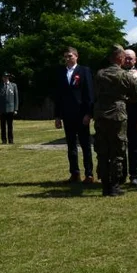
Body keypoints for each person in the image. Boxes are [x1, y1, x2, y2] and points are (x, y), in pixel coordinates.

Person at [94, 46, 137, 197]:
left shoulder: (100, 74)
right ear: (120, 58)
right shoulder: (125, 75)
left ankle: (105, 185)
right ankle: (115, 186)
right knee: (117, 150)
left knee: (103, 150)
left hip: (101, 114)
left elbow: (96, 93)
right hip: (118, 115)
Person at [52, 46, 95, 183]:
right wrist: (57, 116)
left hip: (81, 114)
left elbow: (89, 93)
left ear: (76, 56)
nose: (67, 59)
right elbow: (58, 96)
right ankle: (74, 173)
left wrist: (89, 113)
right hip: (67, 114)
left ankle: (89, 174)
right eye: (65, 56)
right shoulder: (60, 73)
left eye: (70, 56)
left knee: (85, 145)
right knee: (71, 145)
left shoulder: (84, 71)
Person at [122, 49, 137, 187]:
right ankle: (120, 174)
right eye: (126, 58)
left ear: (135, 60)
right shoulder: (117, 73)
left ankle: (134, 176)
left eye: (131, 58)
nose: (128, 60)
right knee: (120, 147)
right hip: (120, 116)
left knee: (135, 148)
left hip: (135, 116)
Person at [0, 72, 19, 145]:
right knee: (2, 126)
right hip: (2, 109)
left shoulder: (13, 85)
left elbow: (16, 98)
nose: (5, 78)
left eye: (6, 77)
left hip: (11, 109)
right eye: (4, 77)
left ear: (8, 78)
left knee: (10, 126)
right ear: (2, 78)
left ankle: (11, 140)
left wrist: (15, 109)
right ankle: (4, 140)